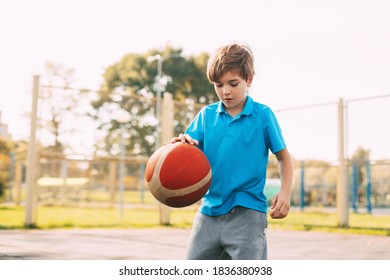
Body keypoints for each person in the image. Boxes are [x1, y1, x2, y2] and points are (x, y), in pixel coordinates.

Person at [171, 43, 293, 260]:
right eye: (218, 85)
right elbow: (188, 148)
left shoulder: (263, 115)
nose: (225, 91)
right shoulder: (206, 115)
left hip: (248, 214)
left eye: (233, 83)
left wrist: (284, 193)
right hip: (209, 213)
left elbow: (284, 158)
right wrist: (182, 143)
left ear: (249, 80)